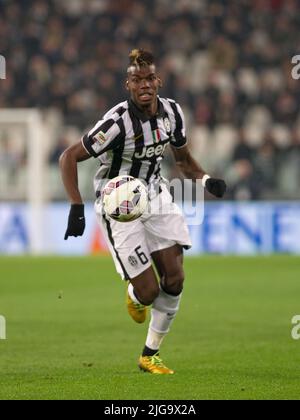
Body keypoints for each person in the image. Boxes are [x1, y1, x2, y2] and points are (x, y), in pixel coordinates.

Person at [59, 49, 226, 374]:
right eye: (137, 80)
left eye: (150, 78)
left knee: (175, 278)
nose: (145, 84)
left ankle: (150, 354)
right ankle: (137, 295)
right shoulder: (116, 122)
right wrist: (76, 205)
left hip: (156, 193)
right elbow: (68, 156)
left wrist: (205, 179)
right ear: (128, 85)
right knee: (149, 292)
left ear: (158, 80)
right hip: (118, 204)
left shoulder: (172, 113)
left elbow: (182, 160)